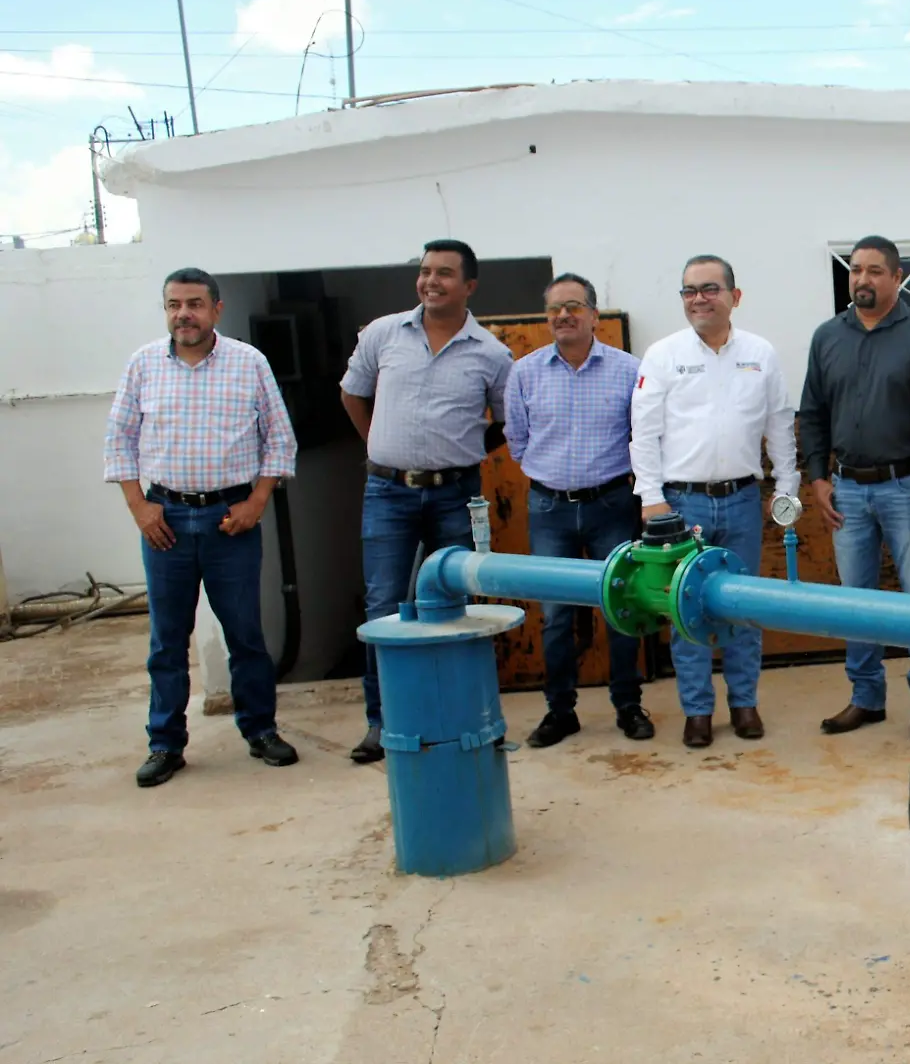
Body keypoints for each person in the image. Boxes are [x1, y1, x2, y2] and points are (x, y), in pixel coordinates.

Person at [104, 267, 300, 787]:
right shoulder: (143, 365)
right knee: (167, 641)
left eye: (193, 303)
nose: (183, 314)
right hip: (163, 520)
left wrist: (258, 500)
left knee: (245, 635)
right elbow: (118, 441)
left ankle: (260, 730)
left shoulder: (248, 363)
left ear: (216, 308)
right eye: (173, 305)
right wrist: (138, 507)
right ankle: (165, 744)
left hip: (229, 521)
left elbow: (279, 439)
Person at [339, 239, 514, 764]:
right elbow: (352, 392)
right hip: (387, 492)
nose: (430, 281)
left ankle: (460, 714)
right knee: (384, 606)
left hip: (456, 496)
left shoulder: (492, 353)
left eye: (443, 273)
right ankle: (383, 722)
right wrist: (376, 444)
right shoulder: (382, 333)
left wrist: (461, 452)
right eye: (424, 271)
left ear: (469, 286)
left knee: (456, 607)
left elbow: (505, 421)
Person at [633, 255, 799, 748]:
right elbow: (644, 433)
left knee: (745, 608)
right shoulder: (662, 355)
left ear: (734, 296)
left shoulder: (760, 353)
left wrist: (787, 488)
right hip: (682, 506)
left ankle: (744, 704)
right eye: (688, 291)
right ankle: (697, 711)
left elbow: (779, 425)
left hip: (744, 500)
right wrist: (650, 498)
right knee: (686, 611)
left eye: (709, 289)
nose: (698, 299)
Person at [801, 235, 910, 744]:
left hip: (907, 488)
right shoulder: (828, 336)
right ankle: (866, 697)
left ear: (896, 277)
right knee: (855, 600)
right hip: (846, 489)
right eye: (855, 270)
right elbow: (812, 413)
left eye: (873, 271)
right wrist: (817, 477)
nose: (862, 279)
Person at [503, 272, 651, 748]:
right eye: (554, 309)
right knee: (556, 615)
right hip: (550, 508)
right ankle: (559, 711)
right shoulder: (524, 373)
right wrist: (553, 476)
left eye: (574, 306)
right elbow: (518, 442)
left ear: (593, 314)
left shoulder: (629, 370)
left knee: (621, 606)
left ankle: (628, 704)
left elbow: (642, 436)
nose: (564, 315)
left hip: (612, 503)